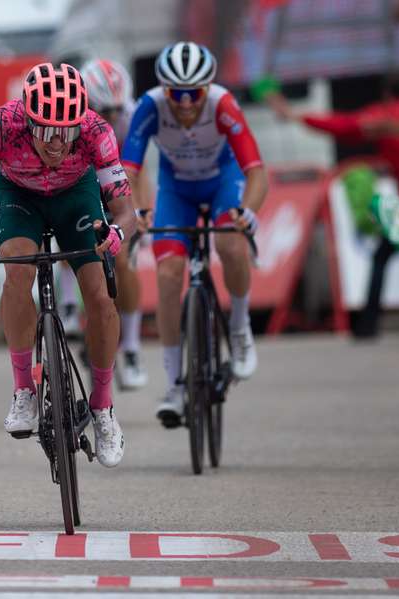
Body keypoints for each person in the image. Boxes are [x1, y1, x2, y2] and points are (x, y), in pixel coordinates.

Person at [0, 62, 136, 467]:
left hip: (77, 196)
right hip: (20, 196)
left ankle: (103, 407)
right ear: (28, 120)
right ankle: (23, 391)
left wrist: (117, 234)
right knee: (17, 274)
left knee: (100, 297)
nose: (56, 141)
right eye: (46, 130)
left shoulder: (96, 130)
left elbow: (125, 209)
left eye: (66, 131)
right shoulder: (2, 125)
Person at [121, 41, 268, 427]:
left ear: (207, 89)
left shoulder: (222, 104)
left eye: (194, 93)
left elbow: (255, 170)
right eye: (177, 93)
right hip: (176, 189)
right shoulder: (149, 107)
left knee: (230, 243)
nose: (185, 102)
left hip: (224, 182)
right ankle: (174, 385)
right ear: (164, 90)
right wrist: (137, 211)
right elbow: (128, 171)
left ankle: (239, 328)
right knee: (169, 276)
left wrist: (247, 212)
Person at [70, 57, 152, 390]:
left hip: (119, 182)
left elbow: (138, 172)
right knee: (69, 233)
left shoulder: (130, 118)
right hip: (82, 182)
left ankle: (131, 346)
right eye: (105, 111)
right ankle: (68, 306)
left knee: (123, 258)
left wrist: (142, 213)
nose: (112, 118)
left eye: (117, 111)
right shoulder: (72, 116)